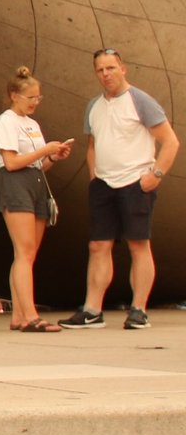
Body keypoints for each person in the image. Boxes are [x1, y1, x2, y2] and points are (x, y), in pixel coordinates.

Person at [63, 49, 179, 330]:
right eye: (101, 70)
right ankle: (92, 309)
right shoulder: (94, 106)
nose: (106, 74)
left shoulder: (140, 101)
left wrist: (156, 175)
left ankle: (139, 309)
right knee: (98, 245)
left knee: (138, 244)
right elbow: (92, 145)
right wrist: (94, 177)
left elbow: (171, 141)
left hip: (135, 183)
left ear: (123, 69)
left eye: (111, 68)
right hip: (104, 184)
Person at [0, 66, 73, 333]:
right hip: (15, 183)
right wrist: (44, 150)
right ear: (14, 95)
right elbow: (11, 162)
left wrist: (51, 156)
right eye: (30, 98)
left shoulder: (32, 124)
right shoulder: (6, 121)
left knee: (27, 254)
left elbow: (36, 163)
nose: (34, 103)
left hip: (36, 181)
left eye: (38, 98)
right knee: (25, 252)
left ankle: (18, 313)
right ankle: (30, 315)